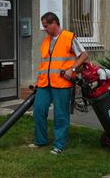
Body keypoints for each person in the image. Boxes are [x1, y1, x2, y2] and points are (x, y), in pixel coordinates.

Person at [29, 12, 88, 154]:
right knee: (38, 111)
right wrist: (38, 81)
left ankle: (59, 145)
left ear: (54, 23)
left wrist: (72, 69)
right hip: (45, 84)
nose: (44, 29)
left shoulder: (69, 37)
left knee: (60, 115)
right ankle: (41, 140)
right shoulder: (45, 42)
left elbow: (84, 55)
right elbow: (44, 64)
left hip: (62, 84)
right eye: (43, 27)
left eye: (46, 26)